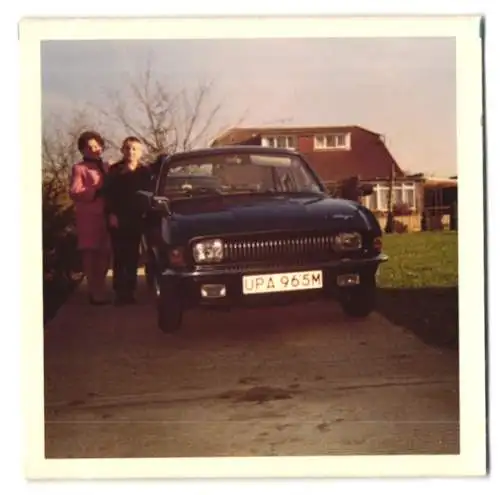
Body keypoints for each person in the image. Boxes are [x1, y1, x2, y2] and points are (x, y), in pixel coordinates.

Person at [106, 136, 153, 305]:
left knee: (134, 255)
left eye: (134, 149)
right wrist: (111, 214)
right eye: (127, 148)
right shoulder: (114, 171)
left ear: (140, 152)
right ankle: (119, 292)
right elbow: (108, 195)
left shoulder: (145, 171)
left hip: (138, 218)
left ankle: (130, 290)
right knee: (119, 255)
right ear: (122, 150)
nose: (131, 152)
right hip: (118, 217)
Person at [69, 130, 111, 305]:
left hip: (107, 214)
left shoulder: (108, 166)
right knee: (90, 252)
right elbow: (75, 191)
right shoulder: (79, 168)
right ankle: (93, 291)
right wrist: (96, 191)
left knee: (106, 253)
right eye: (89, 147)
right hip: (88, 216)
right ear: (82, 150)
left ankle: (100, 287)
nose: (94, 149)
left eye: (96, 146)